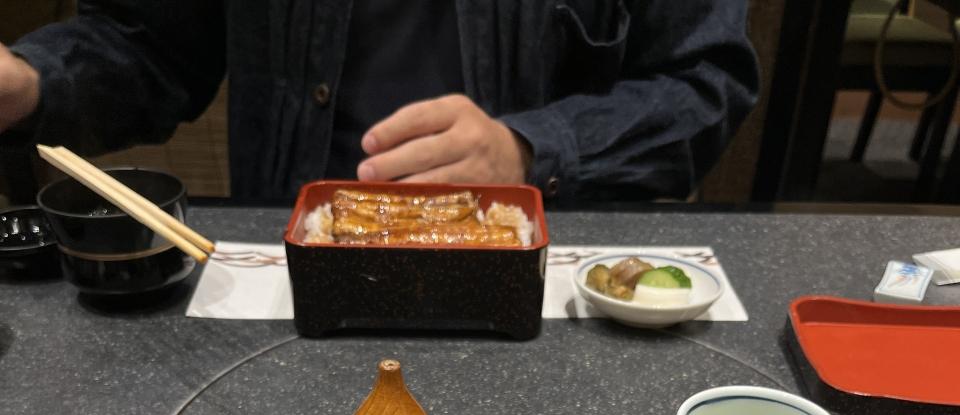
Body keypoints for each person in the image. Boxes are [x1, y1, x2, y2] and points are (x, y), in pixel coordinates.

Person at [0, 2, 758, 204]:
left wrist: (529, 151)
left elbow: (705, 81)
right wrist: (30, 82)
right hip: (298, 275)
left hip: (545, 280)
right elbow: (153, 46)